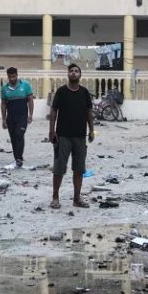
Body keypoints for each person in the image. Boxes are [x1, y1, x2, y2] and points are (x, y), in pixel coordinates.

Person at [48, 63, 94, 209]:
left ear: (80, 75)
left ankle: (77, 199)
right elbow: (54, 111)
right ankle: (55, 197)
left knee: (79, 169)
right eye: (71, 71)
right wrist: (52, 130)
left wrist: (91, 130)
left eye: (76, 71)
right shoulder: (61, 92)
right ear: (68, 74)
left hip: (80, 136)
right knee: (59, 168)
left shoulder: (85, 92)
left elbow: (88, 112)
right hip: (63, 136)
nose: (74, 73)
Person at [1, 66, 35, 169]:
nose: (12, 78)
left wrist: (30, 115)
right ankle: (17, 158)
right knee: (13, 138)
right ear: (8, 76)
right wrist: (3, 119)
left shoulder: (25, 86)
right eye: (10, 76)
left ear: (17, 75)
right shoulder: (4, 88)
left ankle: (19, 158)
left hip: (22, 116)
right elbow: (3, 104)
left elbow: (30, 100)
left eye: (14, 76)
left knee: (19, 134)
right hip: (11, 117)